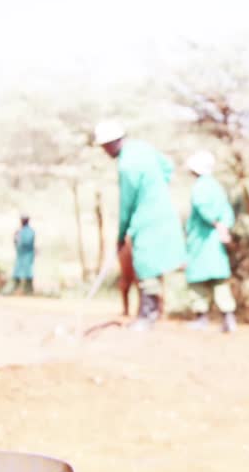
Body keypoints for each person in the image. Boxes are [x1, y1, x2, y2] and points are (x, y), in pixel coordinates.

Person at [94, 121, 186, 331]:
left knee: (144, 265)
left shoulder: (126, 165)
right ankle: (151, 312)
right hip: (163, 212)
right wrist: (157, 188)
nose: (105, 151)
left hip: (146, 219)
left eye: (105, 147)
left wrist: (121, 235)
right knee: (153, 265)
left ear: (113, 143)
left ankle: (147, 315)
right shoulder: (143, 148)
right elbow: (168, 167)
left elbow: (126, 204)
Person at [184, 150, 238, 333]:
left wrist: (215, 223)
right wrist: (224, 227)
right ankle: (228, 318)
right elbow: (227, 212)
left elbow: (203, 208)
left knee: (197, 280)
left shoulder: (201, 187)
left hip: (202, 240)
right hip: (215, 240)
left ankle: (202, 318)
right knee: (219, 281)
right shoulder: (217, 187)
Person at [5, 214, 36, 295]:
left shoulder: (29, 231)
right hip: (20, 255)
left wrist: (17, 238)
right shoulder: (20, 231)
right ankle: (12, 289)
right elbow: (16, 242)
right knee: (17, 272)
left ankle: (28, 291)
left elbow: (26, 243)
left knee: (28, 272)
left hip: (27, 254)